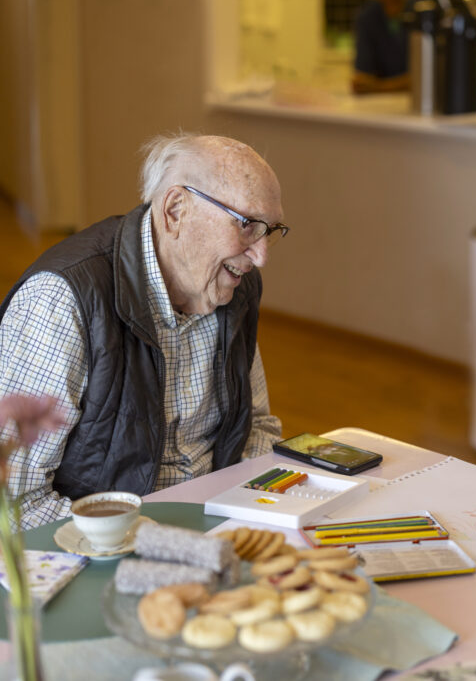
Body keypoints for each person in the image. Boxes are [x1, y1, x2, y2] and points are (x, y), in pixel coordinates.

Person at [0, 133, 286, 529]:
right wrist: (149, 540)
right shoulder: (63, 299)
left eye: (270, 230)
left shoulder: (234, 287)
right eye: (248, 225)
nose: (261, 255)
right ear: (175, 210)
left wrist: (252, 512)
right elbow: (16, 502)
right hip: (100, 550)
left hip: (216, 529)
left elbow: (257, 425)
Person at [352, 0, 410, 94]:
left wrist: (379, 86)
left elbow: (426, 78)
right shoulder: (367, 17)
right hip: (380, 101)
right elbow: (363, 78)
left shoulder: (421, 11)